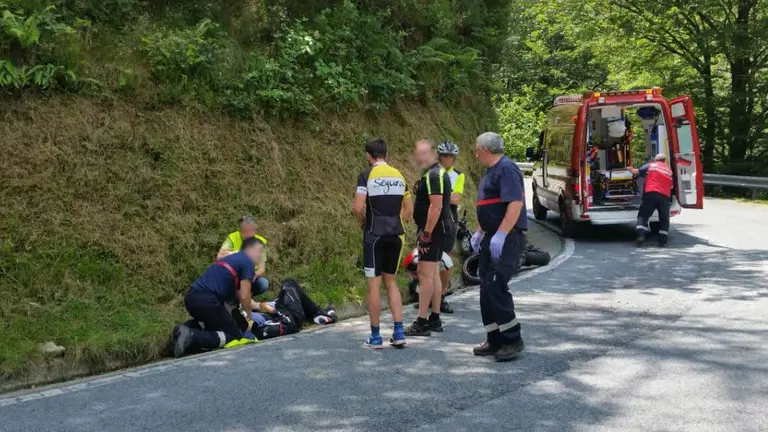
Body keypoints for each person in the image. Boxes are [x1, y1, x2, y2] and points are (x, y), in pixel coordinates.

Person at [470, 132, 527, 362]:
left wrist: (502, 233)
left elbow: (515, 202)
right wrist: (480, 231)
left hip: (507, 238)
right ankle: (494, 338)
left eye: (476, 149)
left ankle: (512, 339)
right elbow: (488, 206)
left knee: (495, 285)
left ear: (484, 149)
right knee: (485, 287)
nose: (475, 153)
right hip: (490, 236)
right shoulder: (491, 172)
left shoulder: (507, 169)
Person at [352, 138, 412, 348]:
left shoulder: (366, 175)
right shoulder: (399, 175)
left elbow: (358, 207)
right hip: (396, 234)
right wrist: (395, 222)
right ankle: (399, 331)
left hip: (374, 235)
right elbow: (408, 210)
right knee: (391, 282)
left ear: (369, 156)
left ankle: (376, 336)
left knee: (374, 285)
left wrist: (363, 223)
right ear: (386, 155)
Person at [172, 237, 265, 358]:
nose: (261, 257)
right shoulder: (247, 262)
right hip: (209, 301)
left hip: (192, 298)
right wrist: (249, 319)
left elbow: (237, 295)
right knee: (233, 336)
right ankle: (193, 336)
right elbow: (244, 295)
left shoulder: (231, 259)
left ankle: (183, 330)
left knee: (214, 325)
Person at [406, 139, 453, 337]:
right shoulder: (436, 173)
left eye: (424, 153)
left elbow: (436, 206)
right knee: (433, 274)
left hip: (433, 230)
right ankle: (434, 318)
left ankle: (422, 321)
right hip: (439, 229)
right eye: (418, 153)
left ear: (434, 154)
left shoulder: (435, 175)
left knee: (425, 276)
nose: (420, 157)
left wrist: (426, 234)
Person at [233, 279, 338, 341]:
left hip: (281, 308)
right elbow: (288, 325)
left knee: (289, 284)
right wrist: (273, 310)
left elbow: (253, 304)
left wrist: (258, 306)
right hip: (290, 315)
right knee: (288, 285)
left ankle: (316, 314)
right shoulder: (258, 330)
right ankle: (317, 314)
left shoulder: (246, 312)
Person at [436, 141, 466, 314]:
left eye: (450, 156)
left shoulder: (458, 175)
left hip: (449, 219)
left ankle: (442, 295)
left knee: (444, 259)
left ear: (454, 158)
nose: (447, 159)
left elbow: (455, 199)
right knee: (431, 259)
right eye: (444, 156)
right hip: (433, 218)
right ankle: (430, 295)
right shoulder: (431, 172)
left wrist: (436, 197)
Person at [628, 153, 674, 247]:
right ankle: (662, 241)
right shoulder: (668, 170)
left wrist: (630, 169)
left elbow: (637, 172)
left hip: (651, 194)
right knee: (664, 219)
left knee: (643, 215)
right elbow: (672, 185)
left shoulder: (651, 166)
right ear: (664, 161)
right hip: (665, 197)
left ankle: (641, 235)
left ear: (656, 160)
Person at [217, 216, 270, 295]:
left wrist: (254, 275)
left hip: (250, 275)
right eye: (245, 231)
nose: (248, 234)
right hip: (232, 274)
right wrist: (237, 253)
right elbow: (219, 257)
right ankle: (232, 299)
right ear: (240, 230)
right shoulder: (232, 238)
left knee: (263, 283)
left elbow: (262, 269)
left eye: (251, 231)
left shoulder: (261, 242)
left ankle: (246, 298)